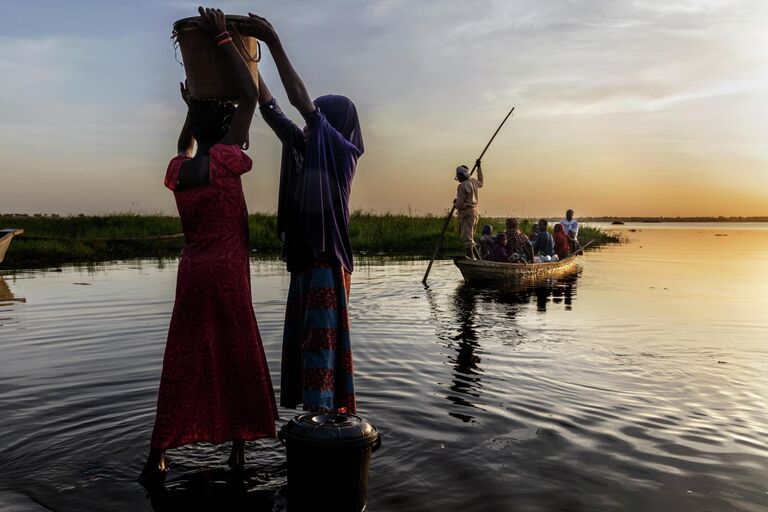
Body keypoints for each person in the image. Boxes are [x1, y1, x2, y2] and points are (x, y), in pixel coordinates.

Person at [139, 7, 277, 487]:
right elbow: (248, 97)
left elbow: (185, 144)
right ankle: (239, 449)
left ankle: (158, 453)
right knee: (236, 354)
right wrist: (223, 39)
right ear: (223, 129)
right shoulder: (225, 160)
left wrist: (189, 107)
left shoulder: (180, 172)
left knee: (183, 357)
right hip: (227, 276)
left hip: (192, 274)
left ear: (194, 128)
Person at [241, 13, 362, 414]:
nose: (309, 126)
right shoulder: (306, 145)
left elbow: (298, 103)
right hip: (308, 262)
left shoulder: (341, 152)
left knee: (320, 347)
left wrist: (273, 41)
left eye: (319, 121)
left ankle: (324, 424)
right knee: (307, 343)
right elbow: (274, 110)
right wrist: (248, 60)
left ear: (333, 126)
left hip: (327, 262)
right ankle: (317, 420)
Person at [454, 160, 483, 259]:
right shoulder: (473, 182)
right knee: (470, 238)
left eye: (459, 175)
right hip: (474, 213)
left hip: (466, 213)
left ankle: (472, 259)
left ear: (462, 175)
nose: (458, 177)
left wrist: (455, 203)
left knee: (467, 239)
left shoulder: (462, 186)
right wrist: (479, 168)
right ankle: (478, 259)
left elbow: (460, 204)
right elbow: (481, 182)